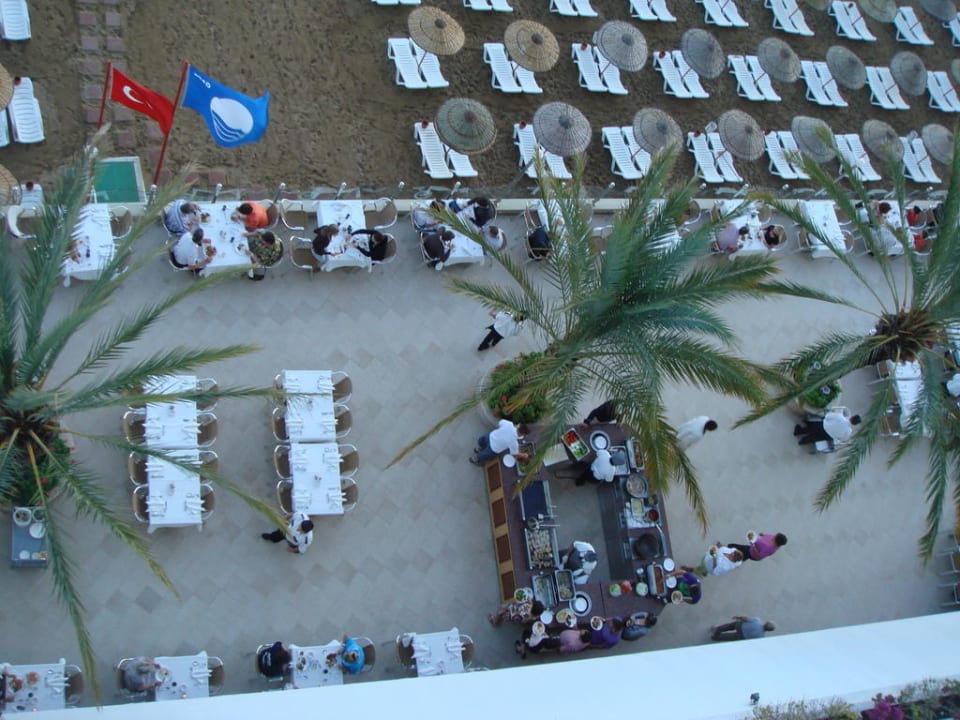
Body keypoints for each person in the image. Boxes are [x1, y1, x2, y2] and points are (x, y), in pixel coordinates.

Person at [795, 410, 861, 445]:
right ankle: (802, 441)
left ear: (852, 417)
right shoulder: (849, 431)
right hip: (828, 436)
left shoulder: (840, 417)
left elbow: (828, 416)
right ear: (854, 424)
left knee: (811, 428)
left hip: (823, 427)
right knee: (813, 438)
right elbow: (841, 438)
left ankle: (798, 431)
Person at [711, 616, 776, 641]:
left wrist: (738, 617)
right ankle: (715, 637)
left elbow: (745, 619)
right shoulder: (761, 637)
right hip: (742, 636)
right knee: (728, 637)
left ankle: (716, 629)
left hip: (740, 626)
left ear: (766, 623)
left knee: (728, 626)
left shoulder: (757, 621)